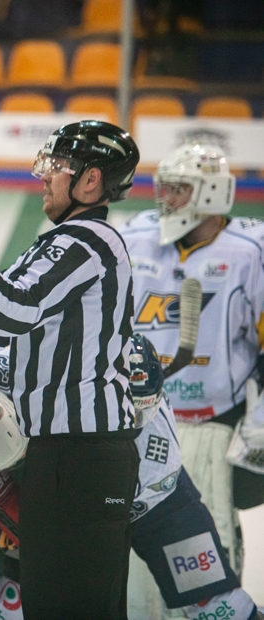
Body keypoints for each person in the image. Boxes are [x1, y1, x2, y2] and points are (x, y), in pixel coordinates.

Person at [0, 120, 141, 619]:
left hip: (84, 453)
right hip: (58, 451)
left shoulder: (88, 241)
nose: (44, 177)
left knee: (78, 606)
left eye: (57, 167)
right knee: (52, 603)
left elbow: (11, 309)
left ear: (90, 181)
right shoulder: (61, 242)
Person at [0, 336, 262, 620]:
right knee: (15, 599)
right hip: (51, 486)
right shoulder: (28, 370)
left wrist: (23, 524)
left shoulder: (155, 453)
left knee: (218, 605)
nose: (127, 423)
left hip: (152, 508)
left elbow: (105, 510)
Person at [121, 142, 264, 615]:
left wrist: (259, 422)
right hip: (139, 423)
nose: (167, 199)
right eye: (166, 188)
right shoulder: (135, 235)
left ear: (213, 193)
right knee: (138, 567)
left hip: (210, 428)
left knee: (207, 552)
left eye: (180, 190)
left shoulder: (249, 251)